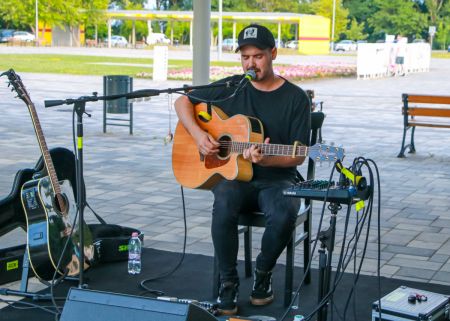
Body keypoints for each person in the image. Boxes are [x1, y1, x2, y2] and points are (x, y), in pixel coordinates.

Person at [174, 24, 311, 315]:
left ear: (273, 54)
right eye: (245, 56)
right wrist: (199, 137)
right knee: (223, 201)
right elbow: (182, 101)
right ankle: (228, 283)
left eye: (258, 56)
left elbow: (298, 156)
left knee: (284, 211)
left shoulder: (296, 98)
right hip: (236, 176)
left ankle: (263, 274)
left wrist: (266, 160)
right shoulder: (231, 87)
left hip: (277, 177)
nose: (250, 63)